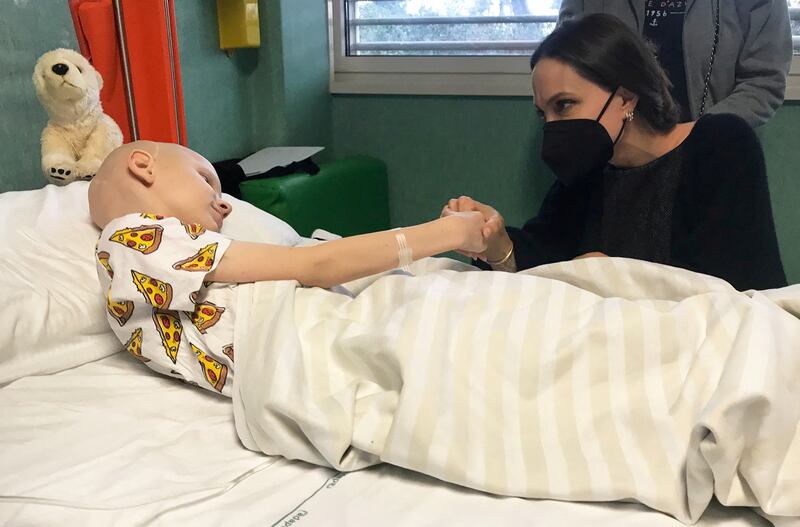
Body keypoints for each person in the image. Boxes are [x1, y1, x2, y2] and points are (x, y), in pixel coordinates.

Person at [88, 140, 487, 395]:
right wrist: (446, 234)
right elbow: (314, 266)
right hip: (296, 349)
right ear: (143, 165)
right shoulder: (129, 237)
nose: (225, 203)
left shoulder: (158, 251)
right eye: (207, 180)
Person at [445, 13, 787, 291]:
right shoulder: (588, 169)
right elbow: (543, 256)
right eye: (543, 113)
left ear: (625, 97)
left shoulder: (720, 145)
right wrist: (494, 241)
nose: (552, 126)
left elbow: (730, 284)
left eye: (564, 105)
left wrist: (610, 273)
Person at [558, 0, 793, 127]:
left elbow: (763, 82)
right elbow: (566, 69)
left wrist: (696, 137)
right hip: (613, 160)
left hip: (711, 157)